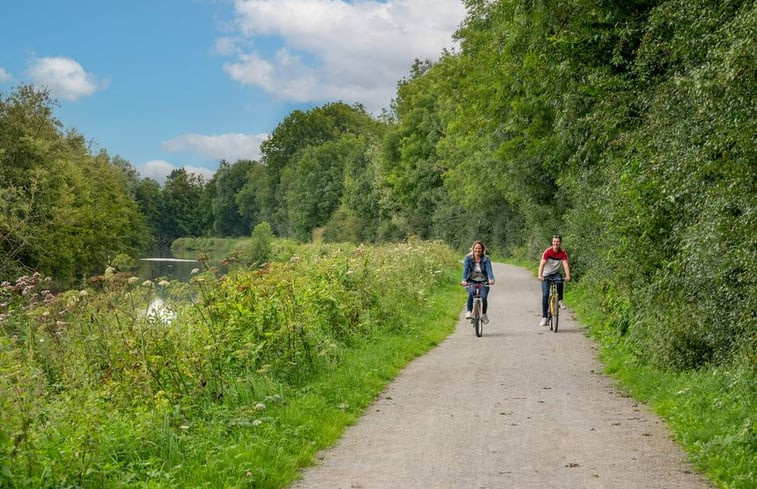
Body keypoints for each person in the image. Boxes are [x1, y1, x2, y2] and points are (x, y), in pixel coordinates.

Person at [538, 234, 571, 326]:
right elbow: (542, 264)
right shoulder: (547, 252)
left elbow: (565, 265)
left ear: (560, 243)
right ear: (552, 243)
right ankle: (544, 317)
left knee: (560, 281)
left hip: (555, 274)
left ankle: (560, 300)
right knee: (545, 295)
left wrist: (568, 276)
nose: (556, 243)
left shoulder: (563, 253)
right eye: (554, 242)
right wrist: (540, 276)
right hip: (546, 275)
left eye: (557, 242)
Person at [461, 240, 495, 323]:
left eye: (479, 248)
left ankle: (484, 314)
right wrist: (464, 280)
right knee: (471, 292)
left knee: (483, 297)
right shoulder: (468, 258)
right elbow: (465, 270)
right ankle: (469, 311)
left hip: (484, 281)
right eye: (476, 248)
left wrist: (491, 279)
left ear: (482, 249)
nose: (477, 250)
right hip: (471, 281)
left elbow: (489, 269)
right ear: (473, 249)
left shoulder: (486, 259)